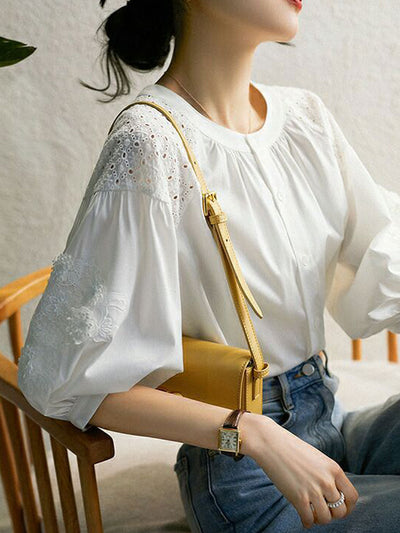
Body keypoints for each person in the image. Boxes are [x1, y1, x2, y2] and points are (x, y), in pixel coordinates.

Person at [17, 0, 400, 531]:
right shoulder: (150, 143)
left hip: (329, 421)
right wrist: (252, 432)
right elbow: (69, 377)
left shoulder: (304, 118)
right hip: (248, 476)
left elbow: (381, 249)